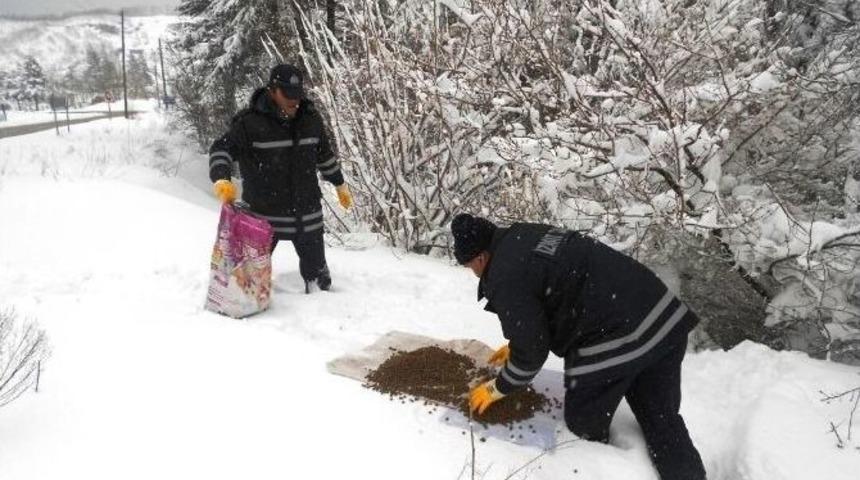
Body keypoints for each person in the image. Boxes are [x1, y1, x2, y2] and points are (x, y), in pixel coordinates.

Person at [453, 213, 706, 480]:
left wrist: (498, 387)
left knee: (582, 426)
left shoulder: (505, 276)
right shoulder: (523, 233)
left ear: (480, 258)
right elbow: (545, 288)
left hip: (613, 336)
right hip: (662, 318)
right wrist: (518, 344)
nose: (473, 273)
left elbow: (532, 352)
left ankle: (599, 469)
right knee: (662, 418)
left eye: (470, 266)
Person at [208, 64, 352, 293]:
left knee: (321, 286)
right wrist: (221, 179)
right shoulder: (249, 124)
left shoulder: (311, 119)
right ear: (272, 91)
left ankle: (318, 296)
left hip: (308, 216)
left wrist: (339, 183)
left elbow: (324, 155)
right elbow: (221, 150)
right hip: (263, 219)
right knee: (247, 287)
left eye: (297, 94)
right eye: (287, 94)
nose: (294, 100)